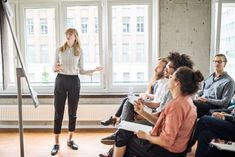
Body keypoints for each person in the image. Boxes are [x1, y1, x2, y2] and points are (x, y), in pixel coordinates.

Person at [112, 67, 203, 157]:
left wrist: (146, 136)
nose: (169, 79)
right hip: (176, 149)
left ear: (177, 83)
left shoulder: (177, 106)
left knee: (124, 136)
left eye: (171, 77)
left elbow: (166, 141)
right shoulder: (186, 101)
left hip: (168, 152)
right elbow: (162, 123)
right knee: (124, 133)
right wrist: (142, 112)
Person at [51, 28, 103, 156]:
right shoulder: (59, 49)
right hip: (61, 80)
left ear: (75, 36)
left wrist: (93, 70)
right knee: (58, 112)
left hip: (74, 81)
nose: (68, 35)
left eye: (70, 34)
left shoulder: (79, 51)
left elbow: (81, 70)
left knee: (72, 112)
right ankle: (56, 143)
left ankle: (70, 140)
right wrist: (55, 68)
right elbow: (53, 67)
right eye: (66, 34)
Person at [100, 58, 168, 127]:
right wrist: (145, 97)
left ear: (165, 70)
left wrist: (144, 102)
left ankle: (117, 121)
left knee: (128, 101)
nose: (155, 69)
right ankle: (116, 119)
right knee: (128, 98)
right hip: (151, 105)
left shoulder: (165, 84)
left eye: (158, 67)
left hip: (153, 110)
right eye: (156, 66)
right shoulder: (160, 83)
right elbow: (157, 97)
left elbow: (159, 104)